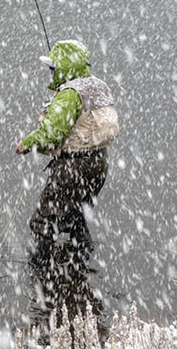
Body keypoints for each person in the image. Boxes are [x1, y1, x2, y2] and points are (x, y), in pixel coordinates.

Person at [16, 39, 119, 240]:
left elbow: (52, 135)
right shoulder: (98, 86)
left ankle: (41, 268)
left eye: (53, 67)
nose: (51, 72)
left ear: (64, 66)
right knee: (76, 215)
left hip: (73, 167)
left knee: (42, 222)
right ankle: (81, 260)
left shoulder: (69, 95)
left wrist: (26, 144)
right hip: (99, 164)